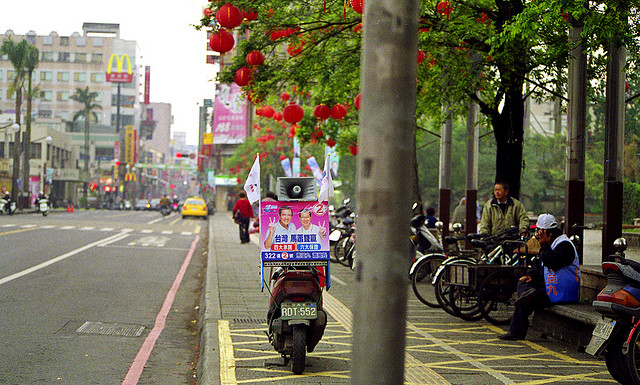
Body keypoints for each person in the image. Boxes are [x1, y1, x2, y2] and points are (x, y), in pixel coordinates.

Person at [498, 213, 580, 340]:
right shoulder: (551, 244)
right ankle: (527, 295)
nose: (537, 234)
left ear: (547, 232)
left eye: (539, 231)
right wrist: (531, 275)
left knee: (529, 298)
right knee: (523, 282)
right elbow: (539, 265)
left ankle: (517, 330)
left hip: (562, 291)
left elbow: (550, 261)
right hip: (550, 287)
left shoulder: (565, 245)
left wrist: (544, 245)